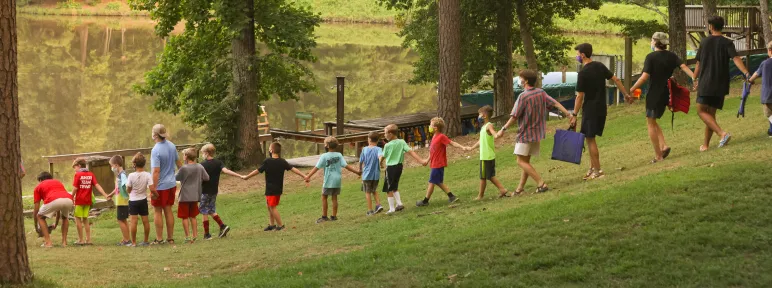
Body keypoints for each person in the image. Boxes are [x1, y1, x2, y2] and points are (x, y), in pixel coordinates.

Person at [498, 70, 575, 194]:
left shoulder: (523, 96)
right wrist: (568, 114)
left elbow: (514, 116)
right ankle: (520, 189)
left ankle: (541, 183)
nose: (519, 79)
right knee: (526, 161)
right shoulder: (541, 92)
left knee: (520, 161)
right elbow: (555, 103)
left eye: (521, 77)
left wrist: (503, 129)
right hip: (537, 133)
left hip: (525, 134)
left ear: (526, 81)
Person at [629, 32, 696, 163]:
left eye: (652, 41)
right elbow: (683, 67)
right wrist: (694, 77)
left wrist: (631, 89)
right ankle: (664, 146)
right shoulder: (671, 56)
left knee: (650, 123)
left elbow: (644, 77)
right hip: (666, 93)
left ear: (655, 41)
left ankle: (658, 156)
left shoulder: (651, 57)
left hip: (654, 94)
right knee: (653, 121)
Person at [573, 43, 632, 180]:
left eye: (577, 54)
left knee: (590, 139)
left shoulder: (583, 73)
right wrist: (625, 94)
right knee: (589, 137)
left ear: (582, 55)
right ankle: (592, 167)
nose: (577, 56)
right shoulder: (599, 66)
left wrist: (574, 114)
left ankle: (598, 171)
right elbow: (615, 79)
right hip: (601, 107)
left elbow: (580, 96)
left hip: (590, 109)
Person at [693, 15, 751, 151]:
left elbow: (698, 63)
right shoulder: (727, 43)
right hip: (721, 83)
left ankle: (722, 134)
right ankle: (705, 145)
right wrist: (746, 73)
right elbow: (736, 58)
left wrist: (694, 78)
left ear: (711, 27)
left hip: (706, 82)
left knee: (701, 111)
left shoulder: (704, 42)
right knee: (711, 114)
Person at [242, 142, 306, 231]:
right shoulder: (282, 161)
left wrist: (247, 177)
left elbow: (258, 170)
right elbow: (293, 169)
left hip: (271, 189)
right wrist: (304, 176)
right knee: (269, 205)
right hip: (276, 188)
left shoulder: (267, 161)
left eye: (269, 148)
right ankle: (272, 225)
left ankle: (280, 225)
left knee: (272, 207)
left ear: (271, 150)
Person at [305, 136, 361, 223]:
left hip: (328, 180)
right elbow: (346, 166)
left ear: (327, 146)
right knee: (334, 198)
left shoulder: (324, 156)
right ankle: (334, 216)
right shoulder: (339, 155)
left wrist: (308, 176)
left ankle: (324, 217)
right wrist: (357, 172)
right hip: (337, 180)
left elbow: (316, 167)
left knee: (324, 197)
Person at [415, 117, 465, 207]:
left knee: (432, 182)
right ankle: (452, 197)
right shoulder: (434, 137)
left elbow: (452, 143)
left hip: (438, 164)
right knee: (438, 182)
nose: (429, 126)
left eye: (430, 125)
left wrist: (462, 147)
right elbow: (433, 152)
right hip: (434, 163)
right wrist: (427, 160)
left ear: (436, 128)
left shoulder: (441, 136)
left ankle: (425, 201)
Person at [199, 144, 242, 240]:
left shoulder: (202, 165)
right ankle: (222, 226)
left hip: (205, 191)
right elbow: (226, 171)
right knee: (211, 210)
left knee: (204, 211)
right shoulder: (218, 162)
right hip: (214, 191)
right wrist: (239, 176)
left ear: (206, 153)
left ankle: (207, 235)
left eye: (202, 153)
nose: (202, 155)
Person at [149, 124, 182, 245]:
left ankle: (159, 239)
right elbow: (179, 164)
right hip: (171, 184)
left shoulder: (155, 150)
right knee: (168, 209)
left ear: (155, 135)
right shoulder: (172, 145)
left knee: (157, 210)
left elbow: (156, 171)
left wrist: (153, 189)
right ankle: (170, 238)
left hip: (160, 186)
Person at [380, 124, 424, 214]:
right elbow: (411, 151)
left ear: (391, 134)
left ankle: (391, 209)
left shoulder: (387, 145)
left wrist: (380, 163)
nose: (384, 135)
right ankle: (399, 204)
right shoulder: (402, 142)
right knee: (394, 186)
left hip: (390, 168)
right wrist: (421, 161)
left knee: (388, 189)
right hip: (399, 167)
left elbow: (382, 157)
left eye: (385, 133)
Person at [466, 105, 509, 199]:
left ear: (484, 115)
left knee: (488, 176)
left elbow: (495, 134)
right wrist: (472, 148)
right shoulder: (484, 127)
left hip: (487, 156)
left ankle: (501, 190)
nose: (478, 116)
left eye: (479, 114)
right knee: (485, 176)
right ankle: (482, 195)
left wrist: (499, 133)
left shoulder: (488, 125)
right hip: (485, 156)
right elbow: (481, 141)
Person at [70, 158, 110, 246]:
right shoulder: (90, 174)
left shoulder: (78, 175)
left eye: (75, 167)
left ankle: (81, 240)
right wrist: (105, 194)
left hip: (79, 200)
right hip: (88, 201)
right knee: (85, 219)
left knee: (77, 219)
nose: (75, 170)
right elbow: (97, 185)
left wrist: (71, 197)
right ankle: (88, 240)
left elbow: (75, 188)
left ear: (79, 166)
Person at [176, 148, 209, 244]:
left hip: (184, 196)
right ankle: (195, 236)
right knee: (193, 216)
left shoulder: (184, 168)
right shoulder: (200, 167)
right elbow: (206, 177)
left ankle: (187, 236)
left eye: (183, 155)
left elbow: (176, 178)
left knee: (184, 217)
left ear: (186, 156)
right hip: (195, 195)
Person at [33, 172, 73, 248]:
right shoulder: (58, 182)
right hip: (69, 199)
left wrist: (36, 226)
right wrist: (56, 223)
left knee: (40, 216)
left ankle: (48, 243)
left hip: (54, 200)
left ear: (40, 180)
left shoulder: (38, 187)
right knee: (65, 218)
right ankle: (64, 242)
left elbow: (36, 208)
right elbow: (58, 206)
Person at [745, 41, 772, 138]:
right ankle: (770, 131)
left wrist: (750, 80)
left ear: (769, 51)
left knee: (769, 113)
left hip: (767, 94)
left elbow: (756, 74)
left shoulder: (764, 63)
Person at [127, 152, 153, 247]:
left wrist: (129, 189)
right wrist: (155, 195)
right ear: (144, 164)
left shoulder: (131, 175)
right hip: (143, 200)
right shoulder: (147, 175)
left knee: (133, 221)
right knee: (145, 221)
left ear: (134, 164)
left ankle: (133, 242)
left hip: (133, 201)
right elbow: (151, 187)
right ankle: (145, 240)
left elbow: (129, 189)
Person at [107, 155, 131, 247]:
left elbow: (126, 185)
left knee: (120, 219)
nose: (111, 168)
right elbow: (118, 187)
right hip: (120, 200)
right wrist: (110, 194)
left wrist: (127, 194)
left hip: (122, 201)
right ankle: (126, 238)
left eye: (112, 165)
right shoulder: (119, 175)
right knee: (123, 219)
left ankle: (127, 240)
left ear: (116, 165)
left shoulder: (123, 175)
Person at [359, 132, 385, 216]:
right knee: (374, 190)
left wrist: (360, 171)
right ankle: (378, 205)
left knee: (367, 192)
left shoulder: (364, 149)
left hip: (366, 175)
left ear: (369, 139)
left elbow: (360, 161)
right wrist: (380, 163)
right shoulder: (379, 149)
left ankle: (370, 210)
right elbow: (380, 157)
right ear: (377, 140)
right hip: (376, 175)